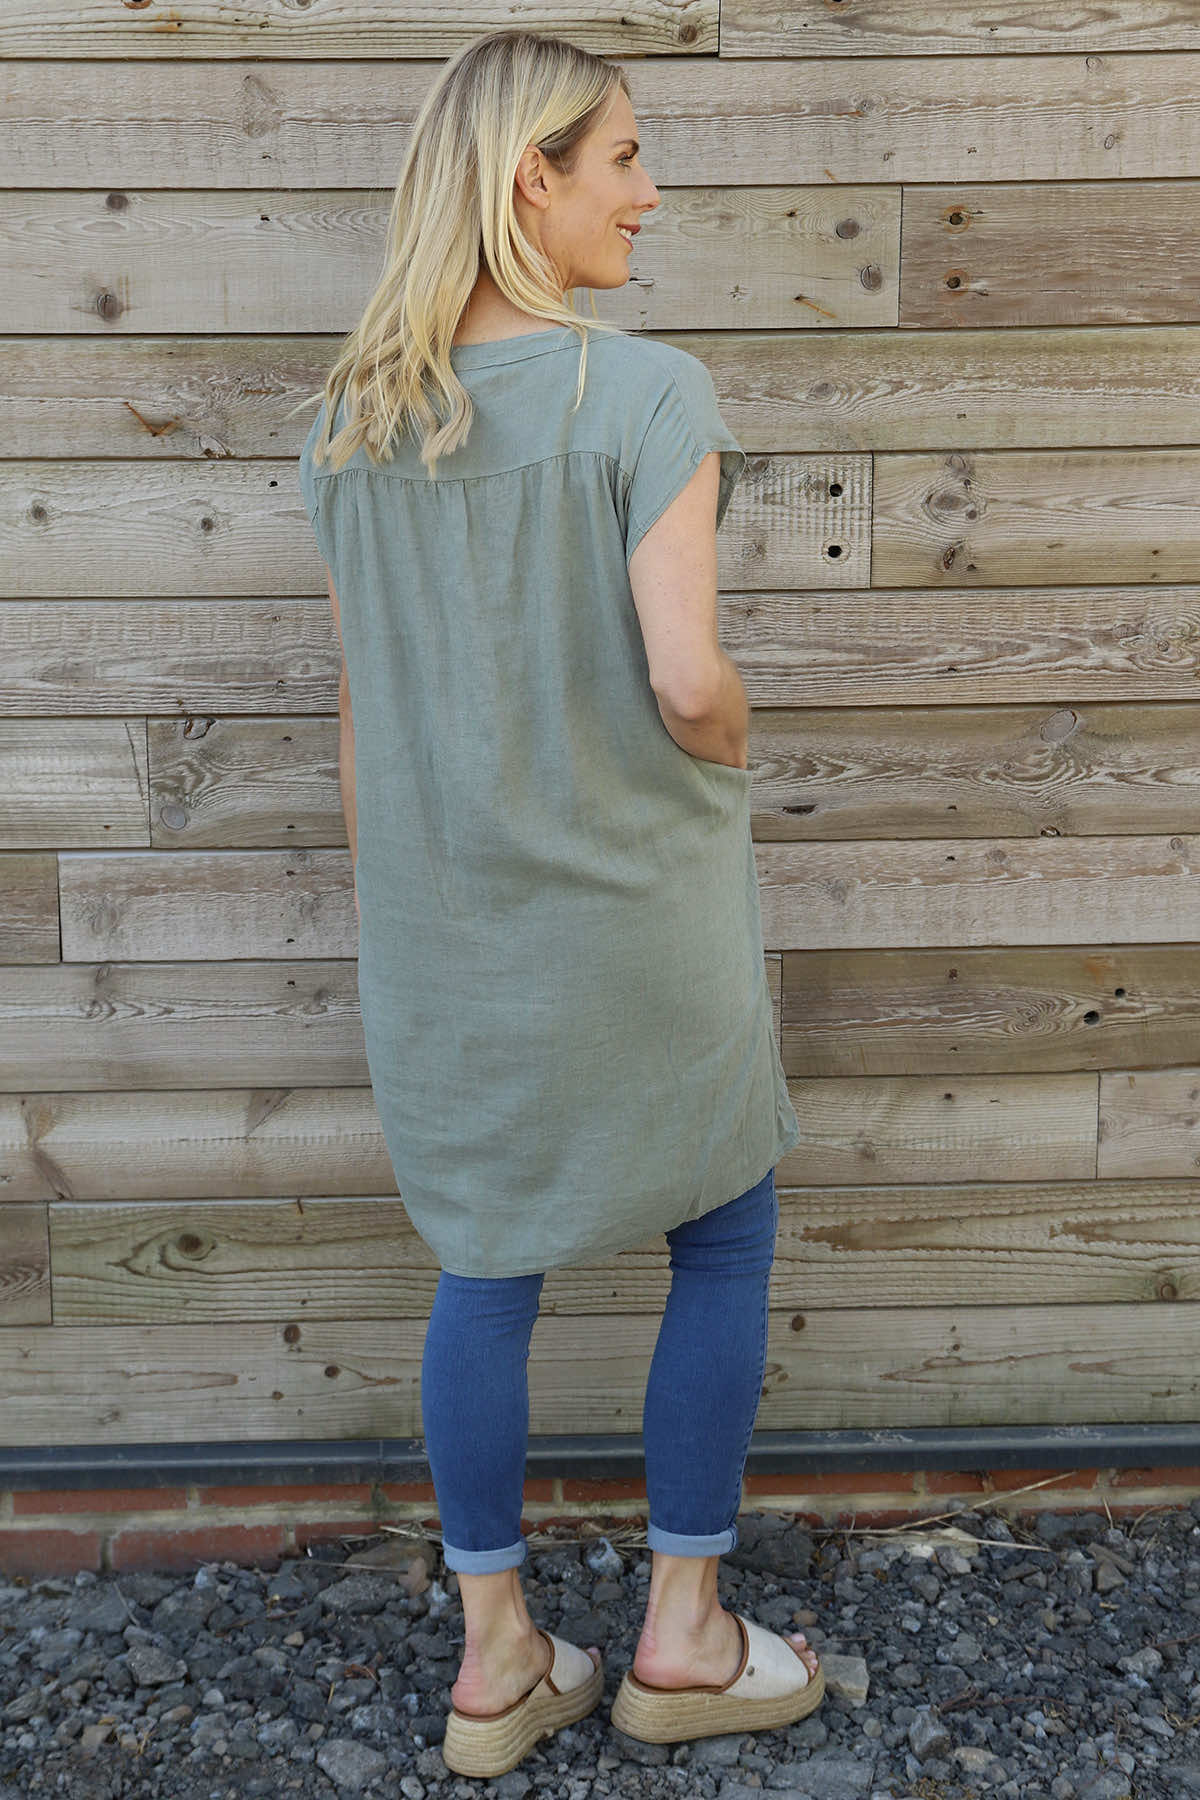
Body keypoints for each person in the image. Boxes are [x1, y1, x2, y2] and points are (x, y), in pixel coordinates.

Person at [295, 27, 820, 1777]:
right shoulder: (645, 394)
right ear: (534, 178)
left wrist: (412, 911)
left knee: (483, 1266)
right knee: (722, 1229)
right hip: (638, 916)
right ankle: (683, 1634)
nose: (649, 193)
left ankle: (499, 1660)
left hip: (444, 934)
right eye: (625, 159)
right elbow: (688, 679)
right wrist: (738, 743)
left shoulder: (355, 424)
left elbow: (365, 727)